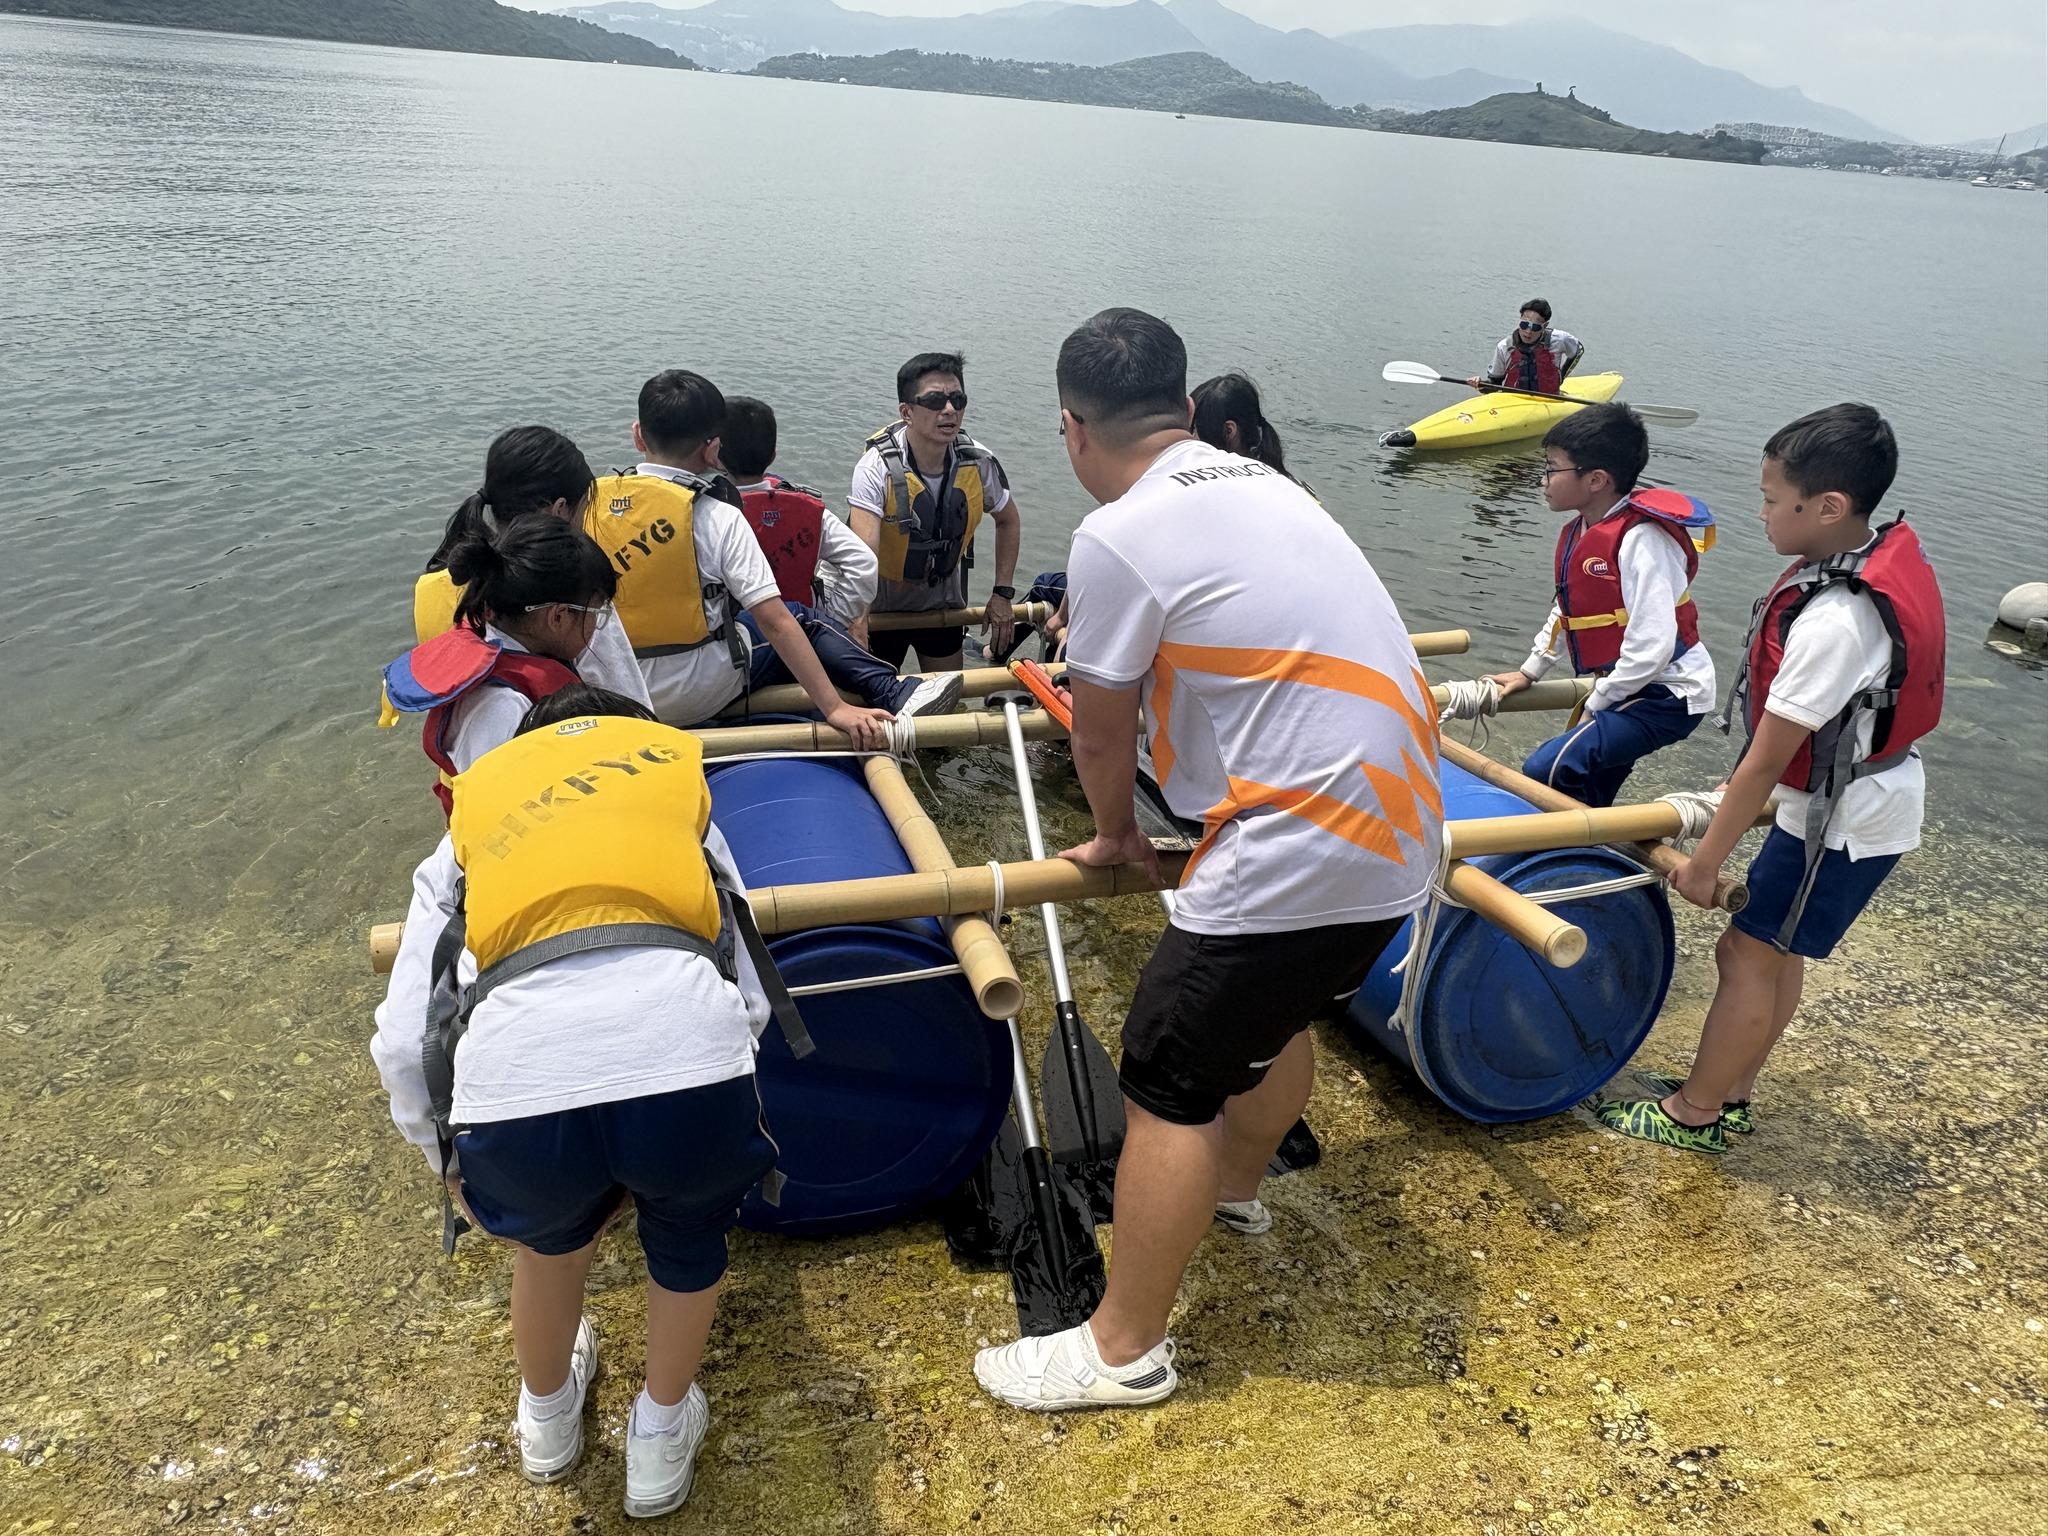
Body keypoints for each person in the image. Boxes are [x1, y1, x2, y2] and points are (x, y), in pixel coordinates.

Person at [973, 309, 1443, 1412]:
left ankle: (1121, 1347)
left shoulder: (1117, 535)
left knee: (1166, 1074)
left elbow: (1095, 727)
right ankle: (1232, 1192)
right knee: (1265, 1017)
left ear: (1070, 429)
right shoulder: (1267, 484)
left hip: (1303, 843)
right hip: (1406, 836)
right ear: (1186, 412)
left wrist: (1115, 838)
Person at [370, 683, 797, 1519]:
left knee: (551, 1242)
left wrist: (444, 1161)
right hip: (690, 1065)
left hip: (515, 1088)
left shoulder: (467, 829)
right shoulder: (678, 795)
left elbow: (400, 1036)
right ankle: (660, 1437)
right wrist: (718, 1066)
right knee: (685, 1234)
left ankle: (549, 1424)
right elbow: (746, 976)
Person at [1601, 404, 1944, 1154]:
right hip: (1852, 801)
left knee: (1745, 952)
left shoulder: (1837, 619)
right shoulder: (1861, 557)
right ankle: (1732, 1091)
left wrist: (1705, 862)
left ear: (1828, 507)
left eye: (1768, 499)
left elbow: (1765, 757)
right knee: (1771, 949)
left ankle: (1695, 1113)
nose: (1758, 513)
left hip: (1843, 820)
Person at [596, 371, 957, 740]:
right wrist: (835, 707)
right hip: (697, 692)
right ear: (712, 450)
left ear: (638, 434)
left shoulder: (591, 507)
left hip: (617, 693)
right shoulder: (716, 514)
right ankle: (893, 691)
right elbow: (776, 621)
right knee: (801, 618)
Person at [1483, 404, 1718, 807]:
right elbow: (1569, 609)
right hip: (1628, 685)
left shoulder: (1644, 540)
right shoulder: (1582, 530)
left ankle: (1569, 846)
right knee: (1589, 791)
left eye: (1552, 467)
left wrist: (1600, 699)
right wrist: (1531, 669)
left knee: (1549, 769)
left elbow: (1654, 645)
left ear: (1596, 479)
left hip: (1669, 694)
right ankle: (1590, 855)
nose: (1542, 479)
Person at [379, 516, 646, 812]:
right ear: (558, 617)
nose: (597, 624)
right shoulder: (501, 707)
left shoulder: (490, 635)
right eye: (596, 612)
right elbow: (503, 813)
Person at [848, 352, 1024, 672]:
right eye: (934, 401)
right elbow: (862, 553)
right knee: (874, 698)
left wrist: (1002, 593)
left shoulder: (978, 461)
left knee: (946, 696)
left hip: (941, 597)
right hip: (881, 602)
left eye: (957, 399)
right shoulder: (875, 468)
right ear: (907, 412)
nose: (949, 410)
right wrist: (858, 616)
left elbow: (1008, 520)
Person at [717, 396, 880, 647]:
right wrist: (828, 619)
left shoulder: (708, 513)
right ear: (773, 455)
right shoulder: (809, 509)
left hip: (735, 645)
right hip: (802, 636)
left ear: (713, 456)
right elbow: (864, 563)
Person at [1191, 372, 1310, 491]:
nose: (1189, 437)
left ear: (1229, 431)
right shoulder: (1293, 485)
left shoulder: (1222, 490)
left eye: (1194, 429)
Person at [1467, 298, 1585, 395]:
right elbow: (1495, 383)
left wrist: (1562, 376)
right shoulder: (1504, 347)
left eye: (1535, 327)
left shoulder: (1560, 339)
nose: (1528, 332)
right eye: (1524, 325)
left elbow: (1578, 350)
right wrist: (1480, 384)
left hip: (1550, 400)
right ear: (1519, 320)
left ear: (1545, 326)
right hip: (1514, 402)